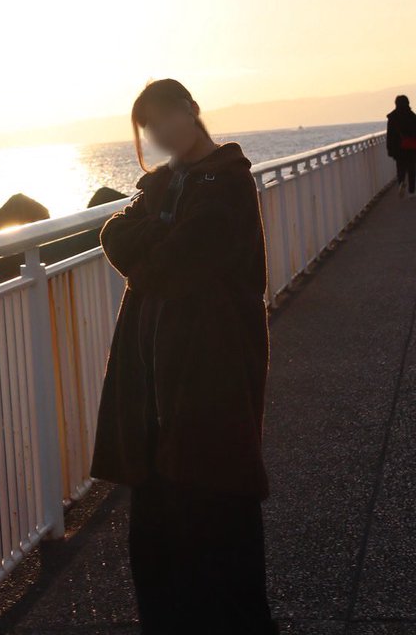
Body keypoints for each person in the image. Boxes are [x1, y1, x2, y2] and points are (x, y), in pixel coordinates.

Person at [90, 77, 279, 634]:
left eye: (167, 117)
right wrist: (155, 237)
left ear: (191, 110)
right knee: (157, 550)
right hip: (151, 391)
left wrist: (147, 247)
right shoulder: (160, 185)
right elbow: (112, 234)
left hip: (210, 383)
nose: (160, 133)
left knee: (222, 530)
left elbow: (176, 265)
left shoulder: (227, 182)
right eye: (149, 127)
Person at [386, 94, 416, 199]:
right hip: (411, 147)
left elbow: (389, 135)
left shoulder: (392, 117)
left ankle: (401, 183)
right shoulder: (412, 116)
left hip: (398, 148)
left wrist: (389, 149)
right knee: (412, 169)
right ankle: (411, 190)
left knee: (400, 168)